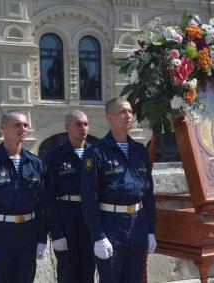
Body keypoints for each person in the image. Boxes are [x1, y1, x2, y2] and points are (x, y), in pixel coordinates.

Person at [81, 98, 156, 283]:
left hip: (137, 225)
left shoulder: (140, 151)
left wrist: (151, 231)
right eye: (123, 112)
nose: (128, 116)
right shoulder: (96, 153)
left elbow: (148, 194)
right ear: (110, 117)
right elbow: (89, 197)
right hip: (110, 227)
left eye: (130, 111)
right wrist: (98, 236)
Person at [0, 110, 47, 283]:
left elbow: (41, 205)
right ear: (3, 128)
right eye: (17, 125)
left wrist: (42, 238)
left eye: (25, 125)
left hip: (28, 235)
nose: (23, 129)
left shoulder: (34, 163)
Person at [44, 110, 95, 283]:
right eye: (78, 124)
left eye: (86, 124)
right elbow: (48, 198)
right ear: (67, 127)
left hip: (91, 216)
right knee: (67, 271)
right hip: (67, 217)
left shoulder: (96, 154)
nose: (83, 128)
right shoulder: (55, 157)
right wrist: (56, 233)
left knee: (89, 268)